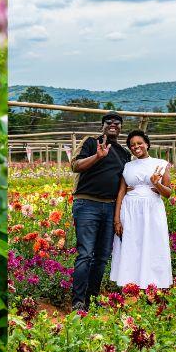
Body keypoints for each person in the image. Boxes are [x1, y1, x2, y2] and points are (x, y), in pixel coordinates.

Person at [69, 111, 131, 311]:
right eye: (109, 122)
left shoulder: (124, 153)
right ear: (102, 125)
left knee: (102, 257)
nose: (113, 124)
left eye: (117, 122)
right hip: (87, 204)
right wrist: (98, 156)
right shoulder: (91, 142)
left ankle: (91, 299)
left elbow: (124, 183)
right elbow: (75, 166)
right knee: (85, 254)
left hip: (110, 206)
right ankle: (78, 301)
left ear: (121, 128)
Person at [110, 130, 174, 289]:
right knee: (132, 247)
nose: (136, 147)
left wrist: (156, 184)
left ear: (147, 144)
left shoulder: (161, 164)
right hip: (130, 210)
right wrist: (117, 219)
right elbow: (121, 192)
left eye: (139, 143)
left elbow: (168, 193)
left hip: (152, 210)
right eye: (132, 145)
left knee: (153, 245)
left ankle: (154, 285)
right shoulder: (128, 166)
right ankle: (132, 286)